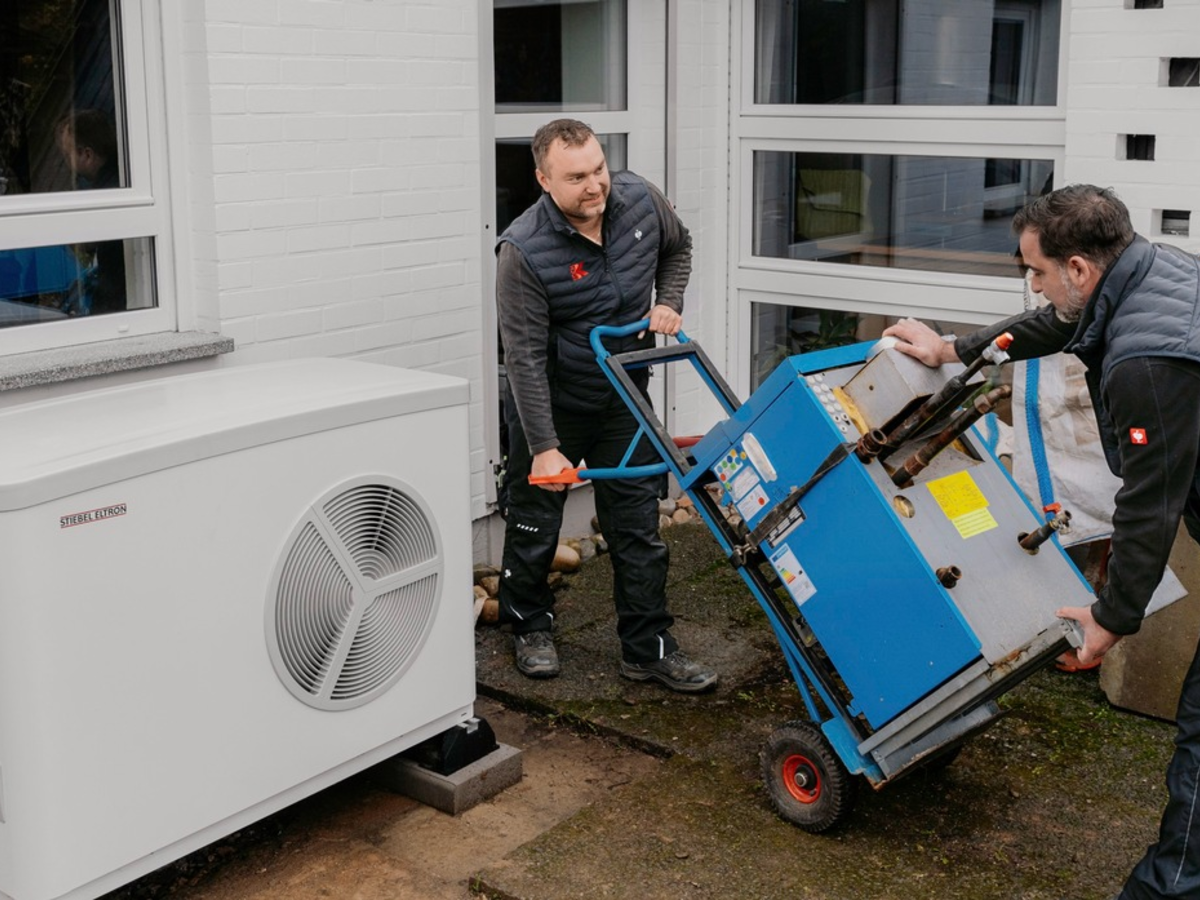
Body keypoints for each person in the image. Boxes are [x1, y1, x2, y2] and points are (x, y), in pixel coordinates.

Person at [883, 184, 1200, 900]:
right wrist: (955, 348)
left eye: (1037, 271)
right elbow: (1059, 324)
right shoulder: (1156, 269)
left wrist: (1112, 616)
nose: (1032, 285)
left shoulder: (1146, 359)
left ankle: (1166, 890)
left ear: (1079, 268)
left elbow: (1149, 504)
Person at [494, 118, 718, 693]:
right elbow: (522, 358)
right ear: (544, 180)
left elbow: (679, 247)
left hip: (624, 394)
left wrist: (669, 299)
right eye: (576, 178)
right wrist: (545, 448)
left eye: (598, 169)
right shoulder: (523, 251)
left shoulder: (639, 199)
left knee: (637, 525)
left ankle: (647, 647)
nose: (594, 185)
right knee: (535, 522)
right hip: (553, 402)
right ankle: (529, 625)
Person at [55, 108, 125, 315]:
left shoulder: (107, 192)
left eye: (67, 155)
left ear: (87, 155)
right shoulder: (125, 175)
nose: (66, 163)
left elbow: (88, 243)